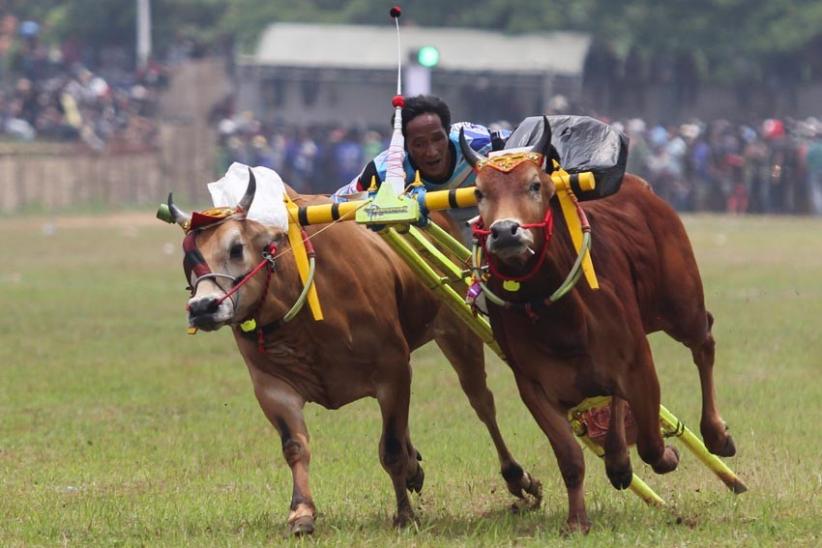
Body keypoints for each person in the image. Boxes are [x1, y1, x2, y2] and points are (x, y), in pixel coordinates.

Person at [332, 95, 507, 233]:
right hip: (432, 234)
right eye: (419, 144)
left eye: (438, 139)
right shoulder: (383, 170)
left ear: (448, 131)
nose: (431, 151)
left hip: (490, 220)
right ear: (404, 145)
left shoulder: (482, 143)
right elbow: (337, 205)